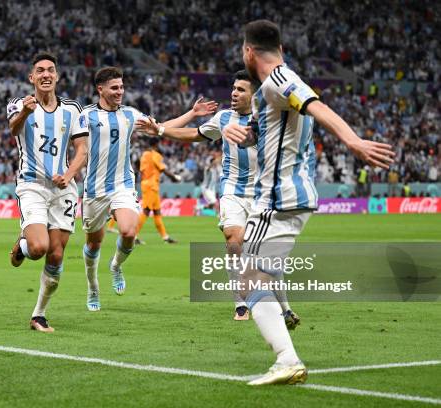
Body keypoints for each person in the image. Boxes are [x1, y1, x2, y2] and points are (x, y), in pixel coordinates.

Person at [222, 20, 394, 385]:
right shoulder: (272, 88)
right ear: (280, 47)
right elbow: (268, 133)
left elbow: (318, 107)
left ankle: (287, 359)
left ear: (248, 52)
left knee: (250, 281)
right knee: (257, 277)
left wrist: (353, 141)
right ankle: (287, 357)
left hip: (277, 200)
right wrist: (243, 134)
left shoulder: (280, 79)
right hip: (288, 200)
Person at [137, 70, 301, 324]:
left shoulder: (270, 121)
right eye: (233, 89)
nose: (234, 94)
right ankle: (240, 304)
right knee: (234, 241)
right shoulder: (223, 118)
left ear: (254, 95)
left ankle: (286, 308)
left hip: (262, 195)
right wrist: (160, 130)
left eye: (241, 90)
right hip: (232, 191)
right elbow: (194, 135)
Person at [80, 66, 217, 312]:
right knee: (93, 244)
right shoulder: (85, 116)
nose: (120, 91)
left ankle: (116, 266)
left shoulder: (130, 115)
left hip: (122, 186)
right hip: (93, 190)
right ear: (100, 89)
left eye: (122, 87)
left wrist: (192, 113)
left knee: (129, 232)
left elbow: (161, 126)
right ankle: (92, 286)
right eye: (114, 87)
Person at [7, 52, 88, 333]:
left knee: (56, 254)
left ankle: (38, 314)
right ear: (31, 77)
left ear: (57, 76)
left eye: (50, 70)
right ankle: (23, 244)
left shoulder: (72, 110)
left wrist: (68, 174)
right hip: (31, 184)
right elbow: (13, 129)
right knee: (39, 248)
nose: (45, 74)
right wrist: (25, 113)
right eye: (39, 70)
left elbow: (82, 150)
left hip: (63, 187)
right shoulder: (19, 104)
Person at [136, 137, 180, 244]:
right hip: (151, 185)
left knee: (157, 212)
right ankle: (133, 236)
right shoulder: (155, 155)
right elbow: (163, 169)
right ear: (156, 144)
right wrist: (174, 177)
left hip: (147, 184)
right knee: (146, 210)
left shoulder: (144, 155)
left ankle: (165, 237)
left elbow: (138, 166)